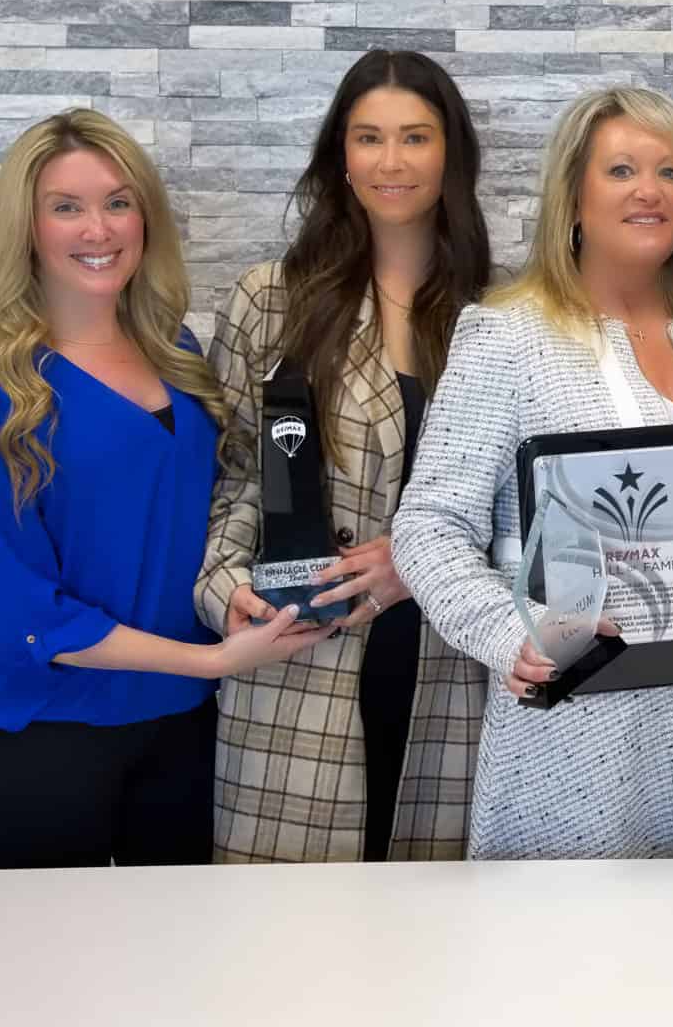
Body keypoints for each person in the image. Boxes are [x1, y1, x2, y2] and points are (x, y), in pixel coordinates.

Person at [0, 109, 315, 869]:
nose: (97, 229)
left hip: (182, 727)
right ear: (26, 228)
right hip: (46, 734)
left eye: (117, 201)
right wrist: (212, 662)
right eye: (65, 207)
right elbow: (22, 614)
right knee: (56, 977)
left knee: (178, 972)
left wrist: (230, 596)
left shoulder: (178, 353)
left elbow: (190, 521)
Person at [393, 86, 673, 859]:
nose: (648, 191)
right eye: (622, 169)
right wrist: (512, 636)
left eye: (671, 173)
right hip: (574, 718)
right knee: (566, 961)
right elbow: (429, 526)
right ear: (572, 196)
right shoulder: (508, 335)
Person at [196, 51, 492, 863]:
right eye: (368, 138)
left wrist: (421, 561)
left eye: (415, 137)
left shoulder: (499, 314)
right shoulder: (273, 298)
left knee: (435, 949)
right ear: (340, 155)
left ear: (451, 154)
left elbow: (525, 505)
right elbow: (233, 476)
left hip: (448, 669)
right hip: (296, 662)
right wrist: (225, 594)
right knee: (289, 952)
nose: (391, 162)